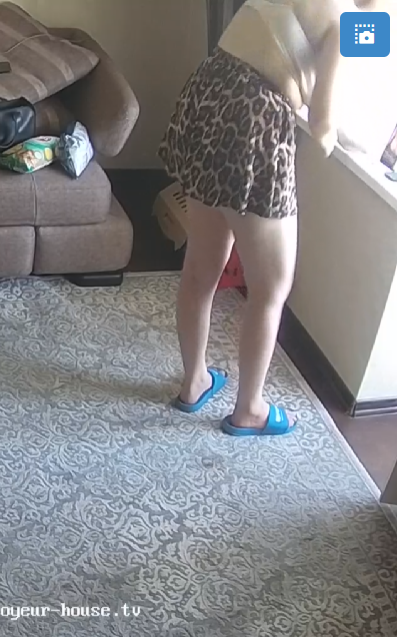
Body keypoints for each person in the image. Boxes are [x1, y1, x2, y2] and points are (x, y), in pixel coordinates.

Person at [159, 0, 383, 436]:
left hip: (210, 91)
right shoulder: (352, 23)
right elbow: (323, 123)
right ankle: (250, 410)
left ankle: (194, 382)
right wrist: (335, 141)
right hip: (255, 118)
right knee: (272, 285)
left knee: (201, 266)